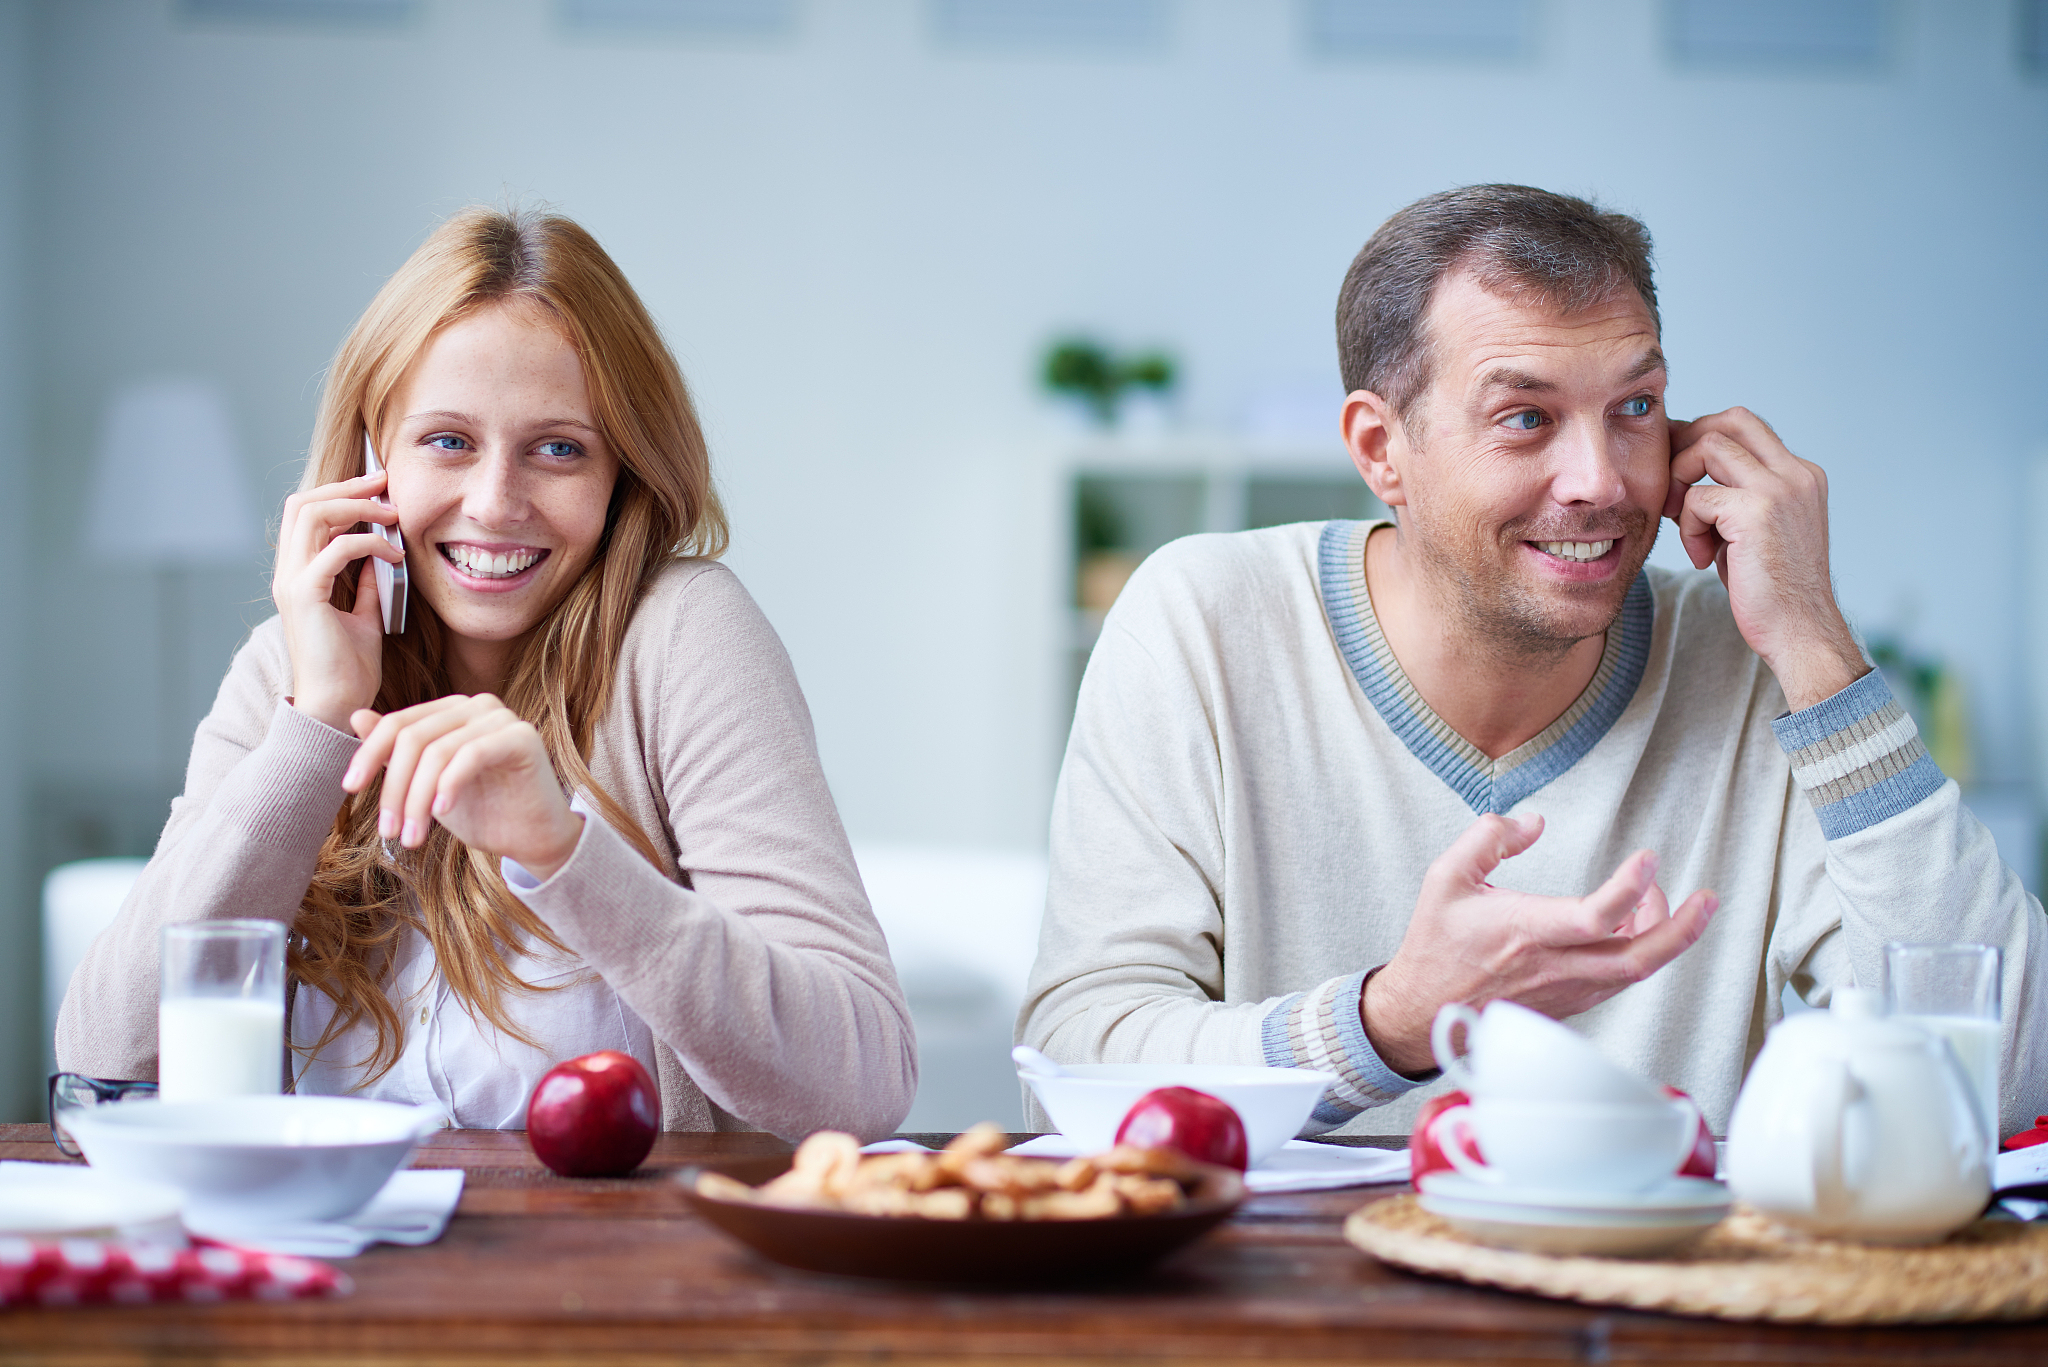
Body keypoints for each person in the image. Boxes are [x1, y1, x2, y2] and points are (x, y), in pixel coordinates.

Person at [1019, 184, 2045, 1137]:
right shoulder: (1202, 621)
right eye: (1525, 417)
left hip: (1645, 1318)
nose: (1600, 480)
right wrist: (1394, 1019)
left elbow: (2000, 1080)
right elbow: (1075, 1057)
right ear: (1381, 449)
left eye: (1634, 407)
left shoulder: (1751, 664)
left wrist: (1816, 645)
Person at [58, 207, 916, 1139]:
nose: (496, 504)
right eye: (448, 441)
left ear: (622, 471)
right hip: (323, 1266)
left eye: (558, 448)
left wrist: (566, 852)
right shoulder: (289, 667)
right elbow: (103, 1054)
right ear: (369, 456)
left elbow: (860, 1089)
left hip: (611, 1277)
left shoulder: (681, 637)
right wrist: (316, 725)